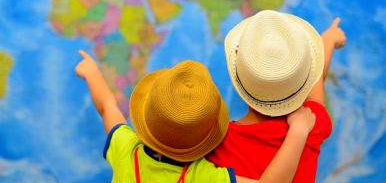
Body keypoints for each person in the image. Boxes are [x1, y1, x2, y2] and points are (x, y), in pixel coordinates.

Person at [75, 51, 317, 183]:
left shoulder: (126, 151)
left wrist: (92, 73)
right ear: (207, 139)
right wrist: (298, 131)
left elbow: (108, 107)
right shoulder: (202, 176)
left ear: (147, 119)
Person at [207, 10, 347, 183]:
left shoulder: (215, 145)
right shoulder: (312, 123)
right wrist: (329, 39)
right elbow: (316, 84)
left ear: (241, 76)